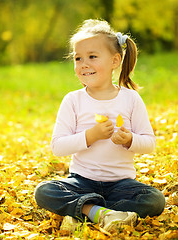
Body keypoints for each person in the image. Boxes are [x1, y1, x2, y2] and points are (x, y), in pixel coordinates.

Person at [34, 19, 165, 232]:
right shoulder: (73, 100)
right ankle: (106, 214)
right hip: (81, 182)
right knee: (44, 191)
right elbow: (57, 147)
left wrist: (130, 139)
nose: (83, 63)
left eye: (92, 57)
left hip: (121, 184)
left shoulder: (130, 99)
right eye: (78, 58)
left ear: (115, 60)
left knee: (154, 200)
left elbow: (149, 143)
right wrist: (90, 136)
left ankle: (85, 211)